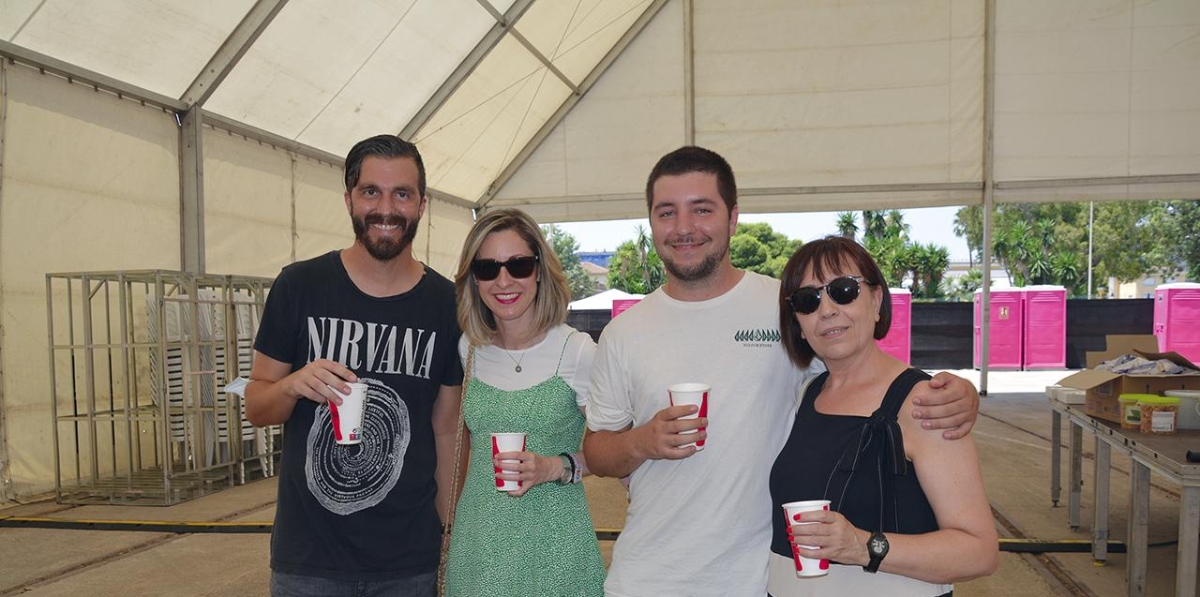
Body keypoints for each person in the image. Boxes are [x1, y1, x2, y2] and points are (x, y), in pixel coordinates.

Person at [582, 146, 981, 597]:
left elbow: (863, 372)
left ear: (732, 218)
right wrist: (641, 441)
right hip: (651, 577)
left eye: (702, 209)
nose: (684, 228)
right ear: (651, 222)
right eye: (667, 212)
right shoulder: (623, 333)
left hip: (761, 580)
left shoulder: (792, 307)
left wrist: (958, 392)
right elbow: (596, 452)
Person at [246, 134, 463, 597]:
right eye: (371, 192)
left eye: (401, 193)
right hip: (309, 563)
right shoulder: (298, 287)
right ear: (348, 199)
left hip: (410, 563)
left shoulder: (448, 305)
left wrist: (451, 533)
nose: (386, 208)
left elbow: (445, 431)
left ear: (422, 204)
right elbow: (257, 407)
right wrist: (291, 386)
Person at [768, 236, 998, 596]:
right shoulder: (806, 395)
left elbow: (979, 551)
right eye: (807, 300)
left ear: (876, 300)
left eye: (843, 290)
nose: (826, 309)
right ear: (797, 323)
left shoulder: (923, 402)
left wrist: (864, 546)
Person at [442, 208, 606, 596]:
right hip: (478, 545)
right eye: (487, 268)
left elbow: (613, 451)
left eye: (518, 265)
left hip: (555, 547)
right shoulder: (470, 349)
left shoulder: (577, 351)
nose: (503, 280)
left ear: (539, 270)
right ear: (474, 279)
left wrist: (554, 466)